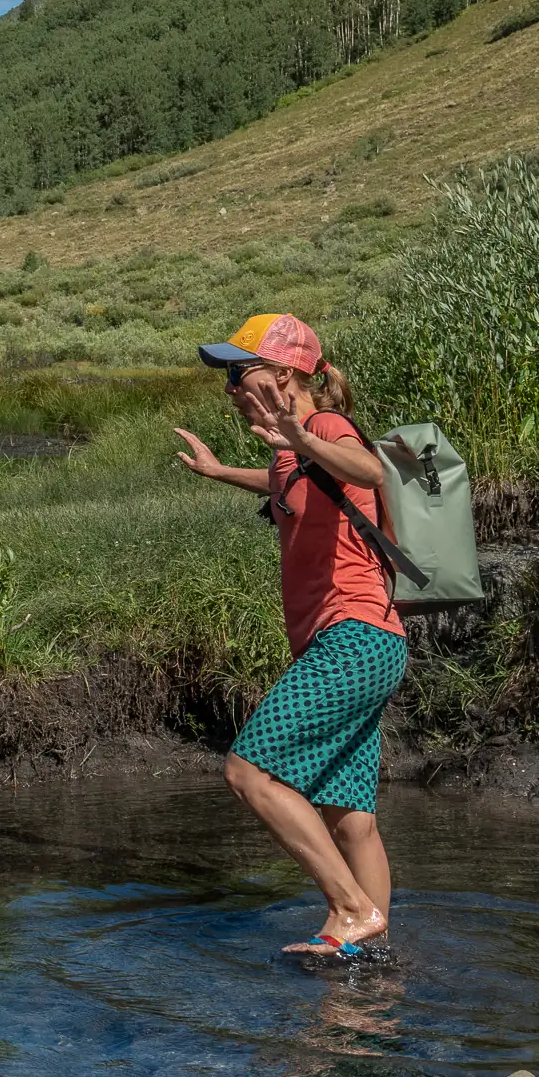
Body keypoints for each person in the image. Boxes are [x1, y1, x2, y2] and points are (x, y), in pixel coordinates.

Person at [171, 313, 408, 960]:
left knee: (250, 772)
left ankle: (351, 909)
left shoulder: (325, 429)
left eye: (238, 373)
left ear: (284, 374)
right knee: (348, 816)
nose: (228, 388)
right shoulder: (288, 452)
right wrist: (222, 473)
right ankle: (369, 957)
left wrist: (302, 435)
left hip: (353, 638)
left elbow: (373, 471)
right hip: (370, 643)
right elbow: (288, 482)